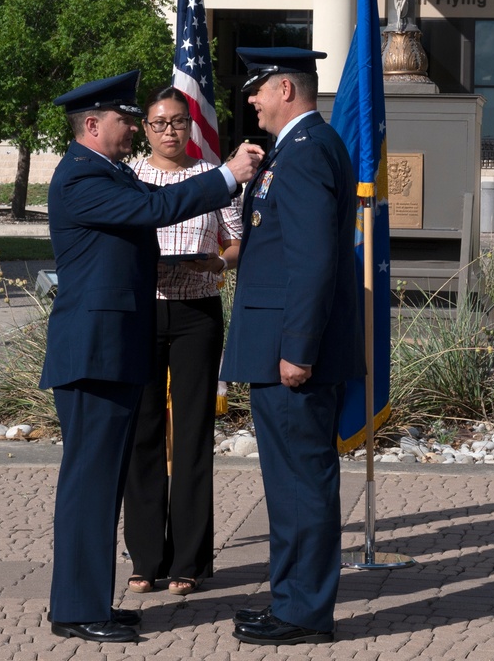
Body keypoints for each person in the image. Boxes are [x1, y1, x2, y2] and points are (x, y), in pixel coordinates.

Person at [40, 70, 262, 644]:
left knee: (101, 483)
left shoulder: (106, 171)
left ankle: (90, 601)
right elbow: (160, 209)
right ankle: (75, 608)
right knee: (90, 485)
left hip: (110, 350)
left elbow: (159, 199)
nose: (134, 130)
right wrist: (226, 176)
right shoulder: (81, 177)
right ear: (92, 124)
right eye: (125, 120)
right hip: (93, 353)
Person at [220, 47, 364, 646]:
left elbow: (311, 262)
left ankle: (303, 613)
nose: (250, 100)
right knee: (288, 484)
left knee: (301, 483)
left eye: (257, 89)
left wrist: (298, 349)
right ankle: (291, 601)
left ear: (285, 89)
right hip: (280, 345)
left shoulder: (305, 153)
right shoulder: (298, 149)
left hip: (290, 353)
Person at [123, 86, 243, 596]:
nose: (168, 130)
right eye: (158, 122)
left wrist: (217, 261)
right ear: (145, 128)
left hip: (197, 311)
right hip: (143, 311)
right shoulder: (129, 178)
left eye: (177, 121)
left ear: (190, 126)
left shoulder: (212, 179)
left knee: (193, 434)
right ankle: (147, 559)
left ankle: (190, 561)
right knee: (143, 432)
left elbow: (239, 241)